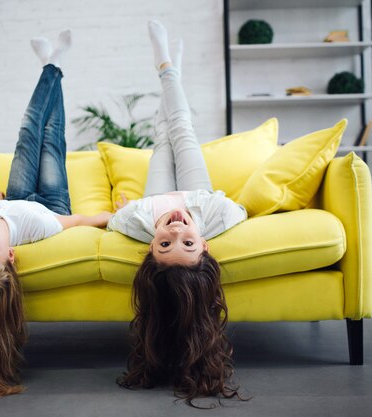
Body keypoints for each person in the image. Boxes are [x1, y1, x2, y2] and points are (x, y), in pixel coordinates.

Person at [0, 30, 111, 399]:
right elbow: (76, 222)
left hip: (15, 197)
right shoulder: (39, 227)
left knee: (27, 131)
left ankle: (51, 65)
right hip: (48, 203)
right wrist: (110, 217)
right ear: (11, 254)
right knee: (51, 135)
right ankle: (56, 65)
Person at [112, 21, 246, 407]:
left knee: (160, 136)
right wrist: (215, 203)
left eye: (165, 243)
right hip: (196, 191)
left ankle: (172, 68)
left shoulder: (138, 224)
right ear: (203, 244)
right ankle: (169, 67)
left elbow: (118, 220)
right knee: (182, 129)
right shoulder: (211, 218)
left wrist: (123, 211)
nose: (175, 230)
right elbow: (237, 209)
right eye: (186, 242)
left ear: (150, 246)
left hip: (154, 196)